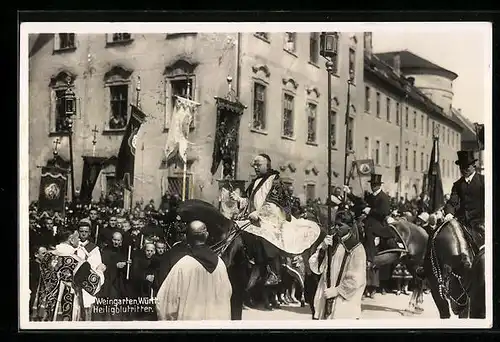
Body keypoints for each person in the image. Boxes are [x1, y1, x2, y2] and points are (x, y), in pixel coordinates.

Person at [156, 220, 232, 320]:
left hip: (190, 325)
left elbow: (165, 303)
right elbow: (227, 295)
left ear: (187, 238)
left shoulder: (183, 265)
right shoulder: (220, 264)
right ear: (207, 235)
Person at [33, 229, 106, 321]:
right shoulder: (76, 262)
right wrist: (100, 270)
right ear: (71, 239)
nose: (79, 240)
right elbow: (93, 284)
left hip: (46, 305)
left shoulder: (47, 256)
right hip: (66, 307)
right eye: (77, 238)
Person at [308, 219, 366, 319]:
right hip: (326, 291)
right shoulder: (330, 241)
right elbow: (317, 267)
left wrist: (337, 291)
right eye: (335, 224)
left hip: (344, 298)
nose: (336, 227)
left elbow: (357, 277)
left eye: (340, 225)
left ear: (349, 226)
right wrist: (323, 248)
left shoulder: (356, 247)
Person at [344, 173, 396, 264]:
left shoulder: (384, 197)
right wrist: (349, 193)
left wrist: (370, 211)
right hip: (369, 219)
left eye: (375, 184)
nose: (373, 186)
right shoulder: (372, 196)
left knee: (369, 230)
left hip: (378, 222)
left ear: (379, 185)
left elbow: (384, 212)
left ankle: (370, 258)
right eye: (372, 184)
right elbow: (360, 202)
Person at [440, 150, 485, 249]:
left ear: (474, 166)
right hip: (463, 223)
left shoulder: (483, 181)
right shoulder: (457, 185)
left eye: (466, 167)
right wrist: (449, 213)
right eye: (461, 167)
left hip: (481, 222)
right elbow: (452, 202)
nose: (464, 170)